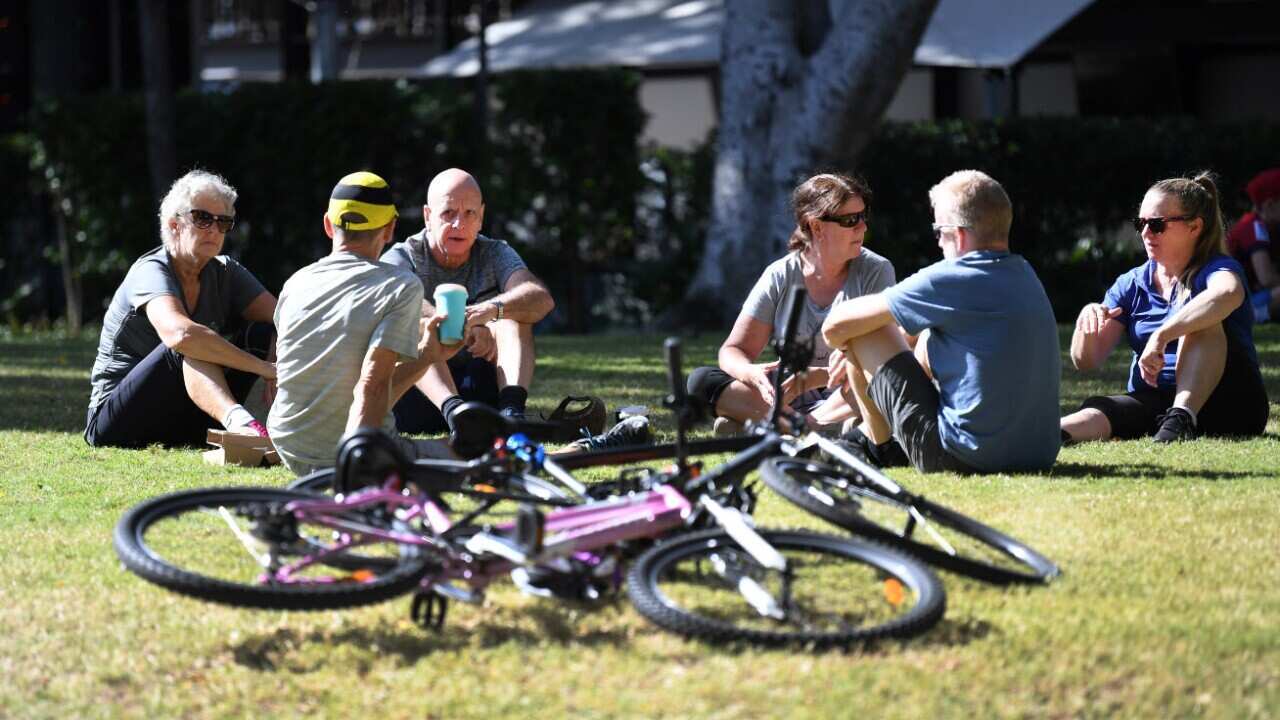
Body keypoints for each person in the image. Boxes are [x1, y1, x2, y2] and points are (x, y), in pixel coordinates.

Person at [822, 170, 1061, 473]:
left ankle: (880, 447)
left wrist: (845, 347)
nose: (937, 242)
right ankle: (873, 437)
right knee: (919, 332)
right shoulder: (1025, 274)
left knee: (867, 329)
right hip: (1039, 454)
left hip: (960, 457)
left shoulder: (951, 279)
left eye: (938, 232)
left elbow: (835, 325)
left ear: (958, 235)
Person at [268, 171, 462, 476]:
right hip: (351, 456)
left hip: (291, 447)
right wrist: (354, 467)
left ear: (328, 226)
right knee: (476, 450)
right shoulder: (400, 286)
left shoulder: (295, 282)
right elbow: (371, 385)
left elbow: (352, 387)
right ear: (390, 229)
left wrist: (428, 356)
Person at [1060, 172, 1268, 443]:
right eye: (1141, 223)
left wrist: (1162, 334)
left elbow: (1228, 292)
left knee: (1201, 320)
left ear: (1195, 227)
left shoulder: (1217, 268)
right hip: (1155, 403)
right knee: (1099, 411)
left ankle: (1182, 416)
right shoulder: (1131, 283)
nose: (1146, 233)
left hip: (1229, 403)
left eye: (1157, 225)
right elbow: (1086, 362)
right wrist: (1086, 324)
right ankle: (1044, 435)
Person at [686, 172, 895, 434]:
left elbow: (883, 355)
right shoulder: (781, 274)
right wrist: (752, 374)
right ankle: (817, 431)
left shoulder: (876, 270)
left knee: (881, 384)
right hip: (790, 399)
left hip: (849, 393)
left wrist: (815, 376)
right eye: (851, 220)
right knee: (701, 380)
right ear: (816, 227)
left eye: (863, 217)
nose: (862, 227)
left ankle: (773, 428)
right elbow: (733, 350)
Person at [85, 170, 277, 448]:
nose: (213, 229)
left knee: (260, 332)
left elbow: (285, 317)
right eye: (202, 218)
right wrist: (264, 368)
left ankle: (286, 426)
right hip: (114, 423)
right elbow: (181, 336)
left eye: (223, 222)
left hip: (183, 419)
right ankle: (243, 424)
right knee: (185, 341)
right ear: (174, 225)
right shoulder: (151, 270)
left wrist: (276, 341)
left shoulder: (226, 272)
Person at [381, 168, 554, 435]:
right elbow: (394, 295)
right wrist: (467, 327)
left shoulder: (496, 252)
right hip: (417, 396)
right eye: (448, 213)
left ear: (481, 217)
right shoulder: (403, 256)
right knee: (410, 319)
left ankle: (512, 416)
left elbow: (540, 299)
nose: (459, 224)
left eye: (469, 213)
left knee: (512, 319)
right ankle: (456, 417)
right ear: (428, 216)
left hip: (482, 392)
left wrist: (489, 311)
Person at [1225, 168, 1280, 323]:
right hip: (1239, 305)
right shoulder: (1255, 227)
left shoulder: (1264, 226)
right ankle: (1257, 315)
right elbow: (1266, 278)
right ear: (1270, 205)